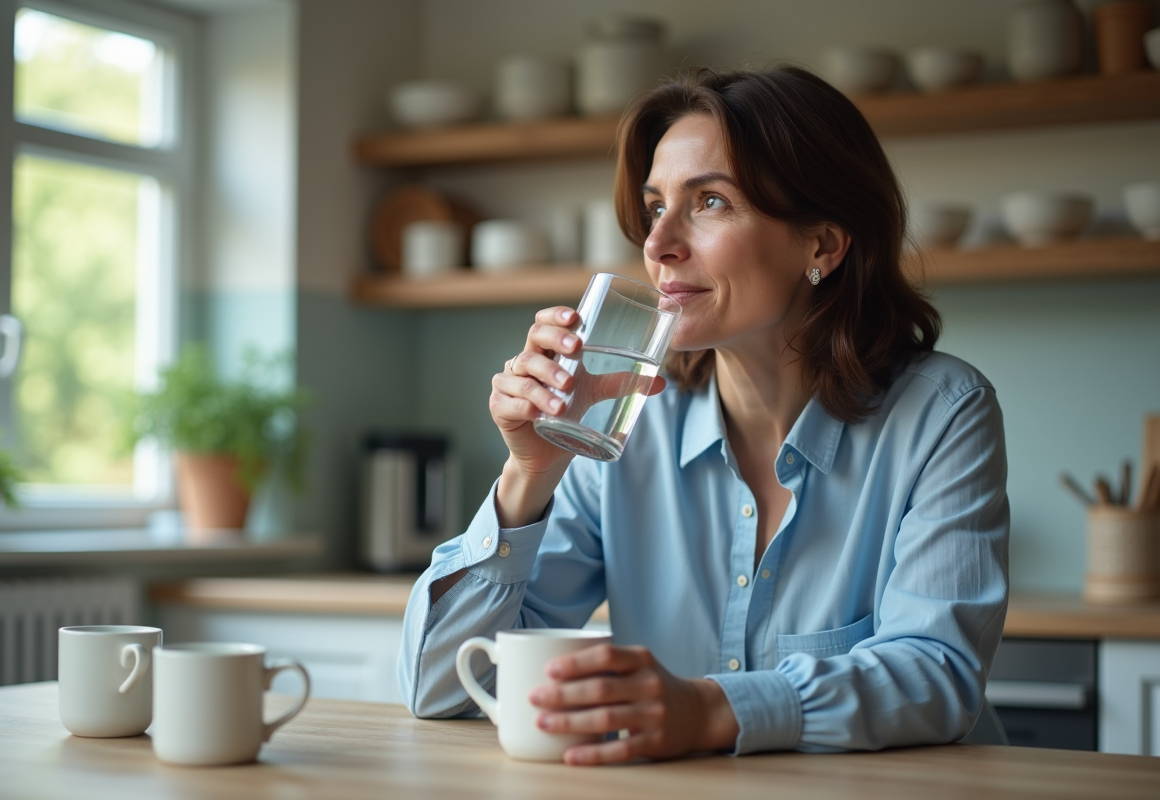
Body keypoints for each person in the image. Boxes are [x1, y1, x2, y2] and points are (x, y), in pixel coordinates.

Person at [397, 66, 1009, 765]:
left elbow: (939, 674)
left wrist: (712, 710)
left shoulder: (942, 414)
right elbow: (439, 687)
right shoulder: (625, 425)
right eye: (657, 207)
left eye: (711, 201)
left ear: (823, 245)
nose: (659, 245)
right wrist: (527, 475)